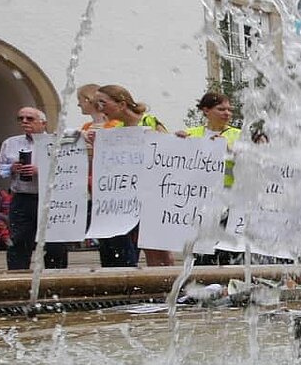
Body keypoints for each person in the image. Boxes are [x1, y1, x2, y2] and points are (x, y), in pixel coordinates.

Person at [92, 84, 173, 266]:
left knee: (157, 247)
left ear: (121, 104)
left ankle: (167, 287)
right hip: (129, 198)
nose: (99, 109)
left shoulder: (149, 122)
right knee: (138, 243)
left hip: (153, 194)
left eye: (102, 103)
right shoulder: (115, 130)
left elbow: (169, 153)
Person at [0, 107, 68, 271]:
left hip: (51, 197)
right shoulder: (11, 143)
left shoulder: (56, 141)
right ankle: (17, 277)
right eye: (21, 119)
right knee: (19, 240)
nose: (24, 122)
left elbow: (67, 169)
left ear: (43, 123)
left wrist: (40, 171)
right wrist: (11, 168)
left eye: (29, 118)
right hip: (22, 197)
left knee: (55, 242)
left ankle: (56, 277)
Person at [183, 92, 243, 266]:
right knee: (200, 249)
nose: (227, 113)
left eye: (229, 110)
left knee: (225, 248)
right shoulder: (192, 133)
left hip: (228, 199)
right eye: (221, 109)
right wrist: (177, 141)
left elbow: (249, 162)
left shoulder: (239, 135)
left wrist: (230, 150)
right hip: (199, 198)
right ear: (206, 110)